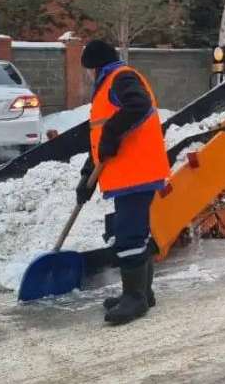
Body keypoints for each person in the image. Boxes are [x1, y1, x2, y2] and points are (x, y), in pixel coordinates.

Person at [75, 39, 171, 325]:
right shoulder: (107, 86)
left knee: (128, 234)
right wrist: (86, 176)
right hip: (127, 173)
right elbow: (101, 139)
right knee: (136, 232)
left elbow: (138, 106)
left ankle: (135, 299)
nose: (87, 75)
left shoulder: (121, 78)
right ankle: (143, 291)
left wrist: (112, 134)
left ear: (96, 66)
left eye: (88, 69)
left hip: (137, 172)